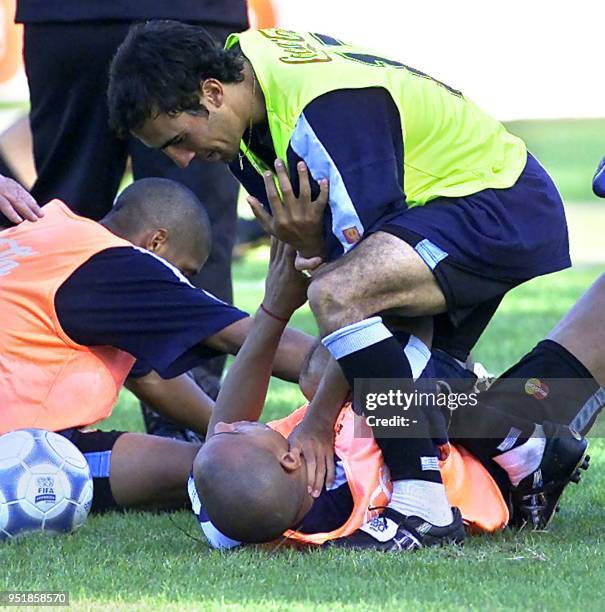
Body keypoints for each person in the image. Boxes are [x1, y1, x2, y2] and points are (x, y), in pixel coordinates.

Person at [107, 22, 571, 550]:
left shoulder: (324, 117)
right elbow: (357, 270)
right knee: (344, 367)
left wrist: (320, 421)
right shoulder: (244, 73)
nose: (182, 160)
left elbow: (366, 290)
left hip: (497, 201)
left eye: (179, 140)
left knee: (341, 309)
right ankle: (526, 448)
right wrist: (319, 255)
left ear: (211, 93)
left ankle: (422, 505)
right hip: (453, 209)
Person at [0, 177, 313, 514]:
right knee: (237, 473)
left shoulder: (46, 230)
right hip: (13, 450)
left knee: (223, 458)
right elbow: (248, 337)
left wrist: (234, 436)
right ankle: (355, 463)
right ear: (156, 243)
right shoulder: (123, 265)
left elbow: (150, 378)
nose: (182, 284)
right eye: (184, 272)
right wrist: (368, 381)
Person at [13, 0, 249, 435]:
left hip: (71, 21)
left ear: (216, 91)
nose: (184, 159)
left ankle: (405, 442)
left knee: (67, 238)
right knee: (64, 248)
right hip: (174, 15)